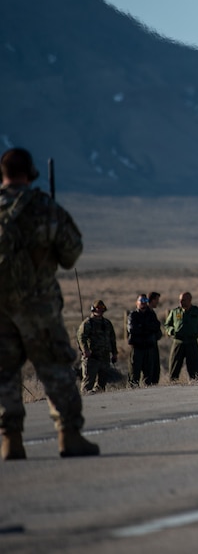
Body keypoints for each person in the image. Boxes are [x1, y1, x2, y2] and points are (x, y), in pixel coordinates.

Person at [0, 147, 99, 459]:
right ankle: (68, 435)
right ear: (30, 174)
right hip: (39, 306)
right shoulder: (44, 207)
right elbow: (71, 254)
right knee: (55, 367)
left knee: (4, 372)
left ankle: (10, 439)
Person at [164, 291, 198, 381]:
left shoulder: (197, 312)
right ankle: (173, 387)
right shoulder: (175, 312)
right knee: (174, 368)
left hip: (191, 342)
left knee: (195, 371)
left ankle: (195, 387)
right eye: (180, 300)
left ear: (190, 300)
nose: (181, 302)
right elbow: (167, 325)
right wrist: (171, 331)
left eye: (183, 300)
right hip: (178, 343)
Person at [77, 300, 117, 393]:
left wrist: (114, 353)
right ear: (93, 309)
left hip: (104, 357)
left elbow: (112, 339)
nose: (99, 311)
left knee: (101, 384)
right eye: (97, 308)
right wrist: (85, 350)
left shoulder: (107, 323)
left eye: (101, 309)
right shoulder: (87, 323)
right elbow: (81, 338)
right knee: (88, 383)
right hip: (92, 358)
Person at [127, 294, 162, 386]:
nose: (143, 303)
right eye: (141, 301)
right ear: (137, 303)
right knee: (134, 375)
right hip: (137, 348)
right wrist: (147, 328)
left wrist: (142, 326)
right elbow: (132, 329)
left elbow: (156, 327)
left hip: (149, 347)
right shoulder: (133, 315)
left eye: (145, 300)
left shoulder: (151, 314)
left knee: (149, 375)